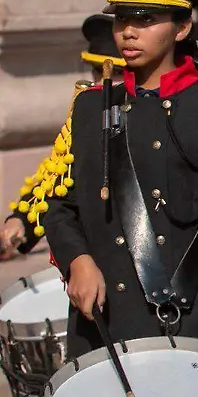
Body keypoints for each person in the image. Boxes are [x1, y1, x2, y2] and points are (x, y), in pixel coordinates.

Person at [41, 0, 198, 356]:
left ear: (181, 28)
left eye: (145, 20)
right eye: (122, 19)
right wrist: (78, 261)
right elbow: (59, 204)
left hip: (187, 310)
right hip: (105, 315)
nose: (128, 31)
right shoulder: (90, 105)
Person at [1, 15, 126, 261]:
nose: (102, 83)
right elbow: (59, 176)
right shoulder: (88, 115)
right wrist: (21, 222)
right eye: (96, 72)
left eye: (116, 74)